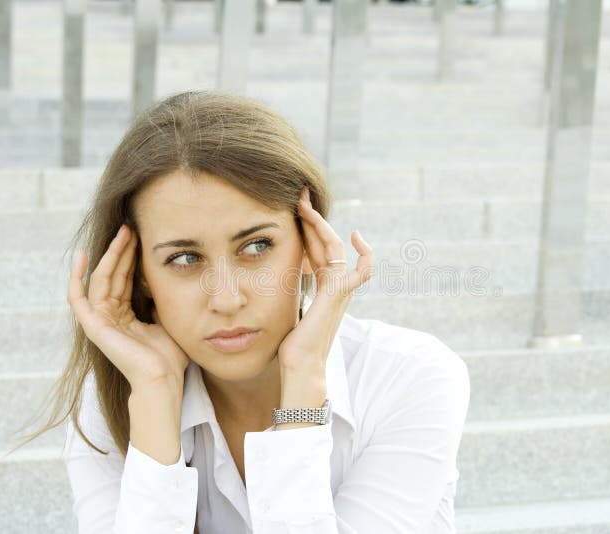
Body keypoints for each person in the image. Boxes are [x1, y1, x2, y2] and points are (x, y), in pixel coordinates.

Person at [27, 91, 469, 533]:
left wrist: (304, 384)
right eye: (184, 258)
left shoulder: (409, 378)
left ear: (310, 243)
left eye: (257, 246)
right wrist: (156, 401)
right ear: (138, 274)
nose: (226, 299)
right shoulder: (117, 398)